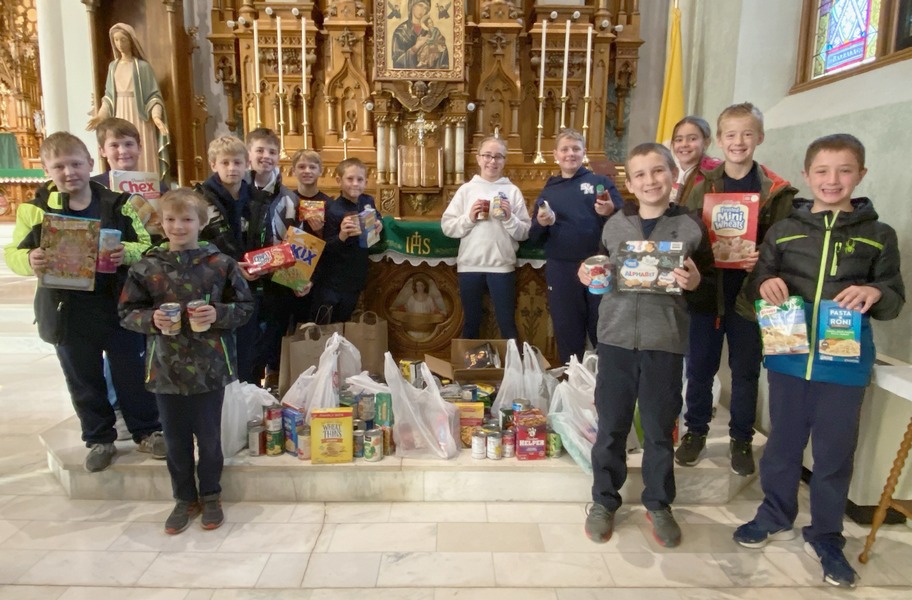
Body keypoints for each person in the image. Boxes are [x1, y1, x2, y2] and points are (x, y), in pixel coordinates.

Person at [732, 134, 904, 588]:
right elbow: (758, 285)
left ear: (861, 175)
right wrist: (764, 283)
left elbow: (893, 299)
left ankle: (827, 535)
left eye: (844, 170)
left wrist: (874, 292)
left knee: (833, 453)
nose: (833, 180)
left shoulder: (878, 235)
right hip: (789, 359)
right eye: (822, 171)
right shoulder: (785, 229)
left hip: (844, 366)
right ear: (807, 176)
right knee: (783, 446)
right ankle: (775, 515)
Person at [3, 132, 165, 472]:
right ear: (47, 169)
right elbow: (13, 253)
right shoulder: (35, 210)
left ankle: (147, 431)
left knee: (131, 373)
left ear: (91, 164)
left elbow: (147, 246)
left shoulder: (120, 204)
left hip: (117, 305)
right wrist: (30, 258)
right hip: (67, 310)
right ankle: (99, 438)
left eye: (76, 163)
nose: (69, 172)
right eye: (59, 166)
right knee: (83, 377)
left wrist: (126, 253)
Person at [581, 142, 714, 548]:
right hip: (617, 338)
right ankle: (604, 501)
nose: (650, 180)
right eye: (640, 174)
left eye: (658, 171)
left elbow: (708, 294)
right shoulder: (614, 224)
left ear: (673, 175)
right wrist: (589, 273)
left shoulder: (691, 226)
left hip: (664, 342)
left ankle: (658, 502)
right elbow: (601, 270)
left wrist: (696, 285)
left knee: (658, 429)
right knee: (611, 427)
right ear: (630, 183)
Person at [119, 189, 254, 534]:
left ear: (201, 223)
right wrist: (152, 320)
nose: (178, 226)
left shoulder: (220, 264)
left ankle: (211, 495)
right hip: (165, 367)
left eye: (187, 219)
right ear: (161, 224)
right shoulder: (147, 266)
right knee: (176, 441)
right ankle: (183, 498)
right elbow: (125, 312)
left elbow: (245, 307)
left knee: (209, 439)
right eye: (170, 219)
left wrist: (218, 312)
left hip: (209, 366)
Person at [675, 102, 797, 476]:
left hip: (749, 298)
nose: (739, 142)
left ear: (759, 137)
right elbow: (685, 236)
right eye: (731, 134)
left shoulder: (777, 192)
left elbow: (786, 249)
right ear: (721, 139)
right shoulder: (700, 185)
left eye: (747, 134)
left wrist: (759, 259)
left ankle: (741, 438)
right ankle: (695, 432)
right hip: (707, 293)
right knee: (699, 369)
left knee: (745, 372)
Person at [528, 129, 623, 364]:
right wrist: (541, 223)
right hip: (561, 268)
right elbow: (534, 237)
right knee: (567, 329)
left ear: (584, 153)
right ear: (555, 155)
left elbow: (624, 225)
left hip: (599, 266)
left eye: (576, 149)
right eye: (565, 149)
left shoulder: (599, 183)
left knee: (602, 328)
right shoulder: (549, 190)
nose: (570, 154)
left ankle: (604, 385)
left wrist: (610, 212)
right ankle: (570, 385)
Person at [441, 136, 531, 340]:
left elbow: (524, 232)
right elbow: (447, 227)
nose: (492, 161)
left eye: (498, 156)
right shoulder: (466, 190)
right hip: (470, 266)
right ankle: (466, 371)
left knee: (506, 322)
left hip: (501, 266)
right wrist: (469, 218)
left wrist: (509, 218)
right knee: (471, 321)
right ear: (478, 159)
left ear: (504, 160)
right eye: (488, 156)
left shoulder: (512, 191)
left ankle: (513, 370)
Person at [256, 148, 326, 389]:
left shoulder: (328, 204)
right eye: (302, 167)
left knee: (305, 328)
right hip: (279, 278)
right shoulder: (286, 200)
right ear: (292, 170)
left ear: (321, 171)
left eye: (312, 167)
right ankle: (275, 376)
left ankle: (305, 376)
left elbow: (329, 248)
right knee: (276, 328)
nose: (306, 171)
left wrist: (311, 280)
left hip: (309, 281)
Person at [87, 23, 169, 178]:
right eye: (116, 40)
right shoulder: (113, 66)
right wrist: (100, 116)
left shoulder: (142, 67)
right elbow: (109, 97)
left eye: (123, 39)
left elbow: (153, 97)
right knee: (119, 148)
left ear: (131, 40)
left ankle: (147, 186)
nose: (119, 44)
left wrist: (156, 117)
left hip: (141, 116)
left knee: (138, 150)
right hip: (119, 113)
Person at [310, 158, 383, 323]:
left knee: (345, 322)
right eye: (350, 179)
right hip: (333, 281)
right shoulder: (333, 210)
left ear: (366, 181)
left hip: (356, 276)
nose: (355, 184)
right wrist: (342, 235)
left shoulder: (367, 201)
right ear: (339, 181)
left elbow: (378, 216)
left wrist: (379, 223)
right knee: (326, 324)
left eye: (360, 179)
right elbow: (326, 249)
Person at [91, 117, 169, 243]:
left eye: (129, 144)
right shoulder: (94, 187)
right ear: (102, 151)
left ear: (139, 148)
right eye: (114, 145)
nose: (123, 151)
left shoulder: (158, 186)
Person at [669, 115, 722, 205]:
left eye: (692, 139)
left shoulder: (716, 172)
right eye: (679, 140)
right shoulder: (667, 172)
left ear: (706, 142)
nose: (684, 144)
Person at [391, 0, 449, 69]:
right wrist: (416, 47)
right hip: (406, 77)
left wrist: (436, 48)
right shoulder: (401, 31)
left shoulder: (432, 31)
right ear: (411, 6)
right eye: (420, 5)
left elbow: (443, 54)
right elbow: (397, 62)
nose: (423, 10)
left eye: (426, 8)